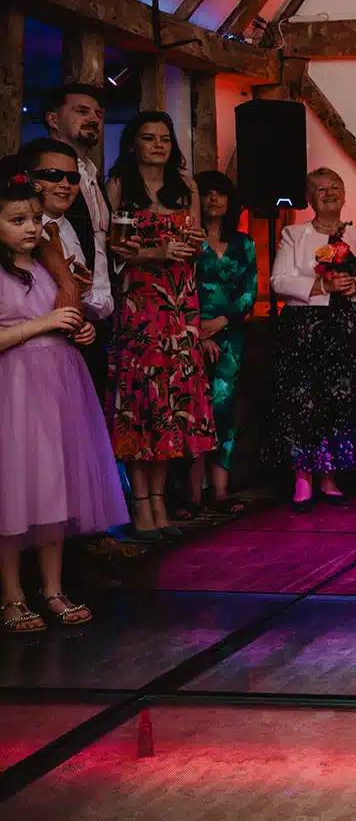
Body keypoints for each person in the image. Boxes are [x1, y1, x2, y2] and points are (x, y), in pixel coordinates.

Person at [0, 171, 128, 632]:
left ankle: (53, 589)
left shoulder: (46, 268)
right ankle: (11, 595)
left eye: (35, 218)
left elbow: (64, 320)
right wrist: (44, 324)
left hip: (57, 383)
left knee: (54, 486)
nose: (31, 228)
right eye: (17, 220)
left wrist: (80, 330)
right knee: (12, 492)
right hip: (13, 389)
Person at [104, 111, 217, 541]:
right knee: (141, 404)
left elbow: (197, 242)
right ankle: (140, 502)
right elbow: (112, 250)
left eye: (165, 139)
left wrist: (195, 244)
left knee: (171, 405)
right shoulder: (118, 186)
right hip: (139, 305)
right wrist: (155, 253)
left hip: (179, 309)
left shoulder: (185, 187)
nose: (158, 145)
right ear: (133, 143)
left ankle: (160, 499)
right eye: (149, 138)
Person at [267, 168, 356, 509]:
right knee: (302, 403)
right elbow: (279, 280)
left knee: (336, 404)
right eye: (320, 189)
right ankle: (303, 479)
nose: (329, 193)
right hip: (305, 329)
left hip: (345, 327)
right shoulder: (293, 234)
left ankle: (330, 478)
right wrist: (322, 287)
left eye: (335, 187)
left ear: (344, 195)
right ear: (310, 199)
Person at [194, 171, 257, 515]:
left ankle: (219, 489)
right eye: (207, 194)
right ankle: (190, 492)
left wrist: (220, 323)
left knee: (223, 408)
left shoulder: (243, 243)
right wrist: (196, 328)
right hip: (188, 332)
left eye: (221, 194)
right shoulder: (188, 240)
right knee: (191, 410)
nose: (214, 200)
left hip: (230, 335)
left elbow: (249, 291)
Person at [43, 84, 111, 398]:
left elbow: (96, 244)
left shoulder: (93, 174)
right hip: (55, 316)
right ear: (53, 119)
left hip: (97, 316)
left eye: (98, 114)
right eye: (81, 111)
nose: (94, 119)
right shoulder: (34, 175)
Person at [21, 138, 112, 326]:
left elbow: (105, 304)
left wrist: (84, 293)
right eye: (53, 175)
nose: (65, 184)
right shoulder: (11, 231)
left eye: (73, 178)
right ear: (28, 178)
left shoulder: (84, 232)